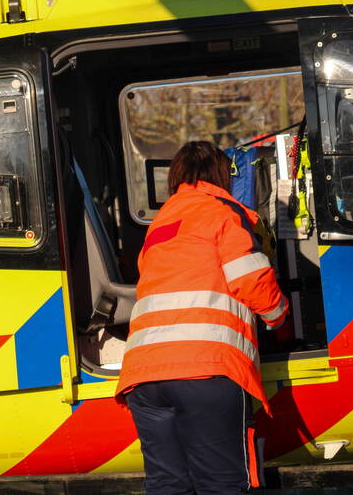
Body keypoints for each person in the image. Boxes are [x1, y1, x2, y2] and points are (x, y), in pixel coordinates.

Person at [115, 141, 289, 495]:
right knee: (222, 484)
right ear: (222, 175)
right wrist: (279, 315)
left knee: (168, 485)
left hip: (144, 378)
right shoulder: (222, 212)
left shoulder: (159, 225)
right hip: (206, 372)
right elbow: (250, 279)